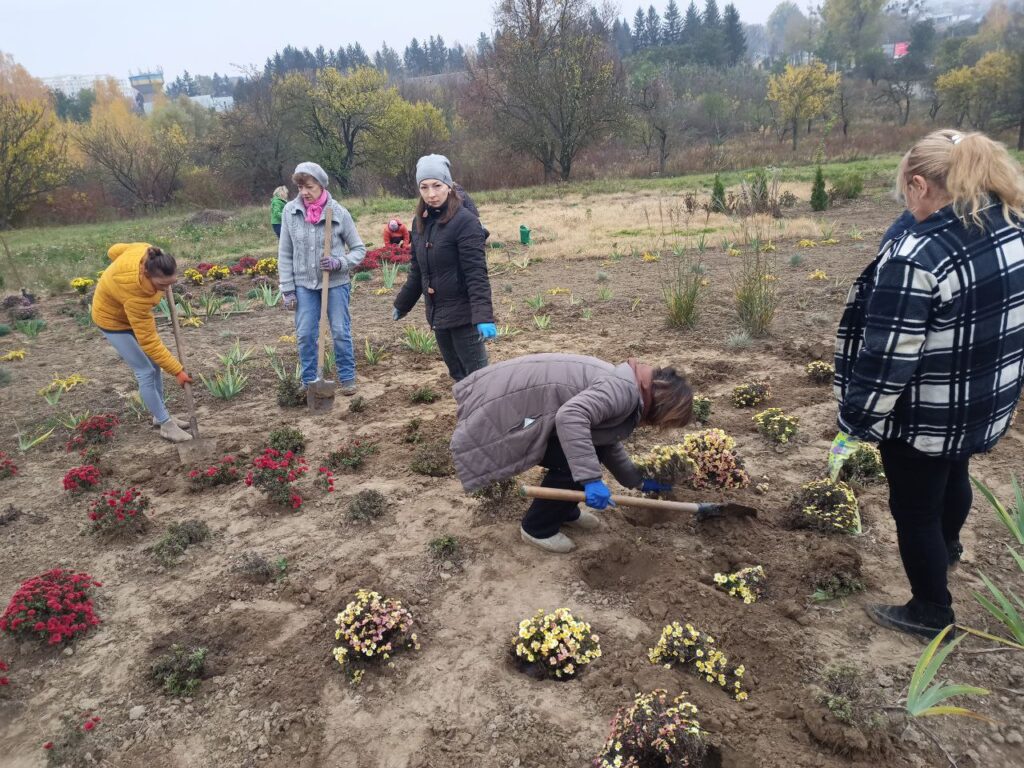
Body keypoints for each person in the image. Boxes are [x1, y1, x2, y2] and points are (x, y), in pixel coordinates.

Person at [832, 129, 1024, 640]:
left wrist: (854, 422)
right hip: (982, 398)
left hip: (926, 412)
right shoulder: (1008, 224)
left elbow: (888, 358)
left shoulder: (916, 258)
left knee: (914, 508)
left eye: (905, 191)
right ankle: (950, 546)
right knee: (953, 471)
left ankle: (930, 609)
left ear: (920, 185)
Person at [450, 353, 692, 553]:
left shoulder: (632, 388)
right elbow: (571, 417)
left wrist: (635, 479)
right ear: (662, 408)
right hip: (508, 411)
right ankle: (537, 529)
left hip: (526, 405)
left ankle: (563, 511)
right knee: (574, 463)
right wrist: (591, 481)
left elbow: (604, 438)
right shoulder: (623, 392)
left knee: (584, 456)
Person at [392, 154, 495, 382]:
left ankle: (488, 417)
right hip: (438, 316)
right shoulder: (420, 222)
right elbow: (418, 270)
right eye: (424, 187)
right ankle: (468, 416)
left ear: (448, 186)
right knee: (457, 375)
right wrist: (402, 304)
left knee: (479, 379)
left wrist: (483, 316)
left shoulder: (465, 222)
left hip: (465, 317)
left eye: (437, 186)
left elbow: (476, 274)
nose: (431, 194)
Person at [91, 243, 194, 443]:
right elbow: (150, 342)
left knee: (155, 365)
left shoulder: (146, 251)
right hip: (112, 320)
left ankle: (159, 414)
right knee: (145, 371)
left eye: (170, 283)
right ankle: (166, 425)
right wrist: (178, 371)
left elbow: (114, 251)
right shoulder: (137, 294)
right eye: (162, 285)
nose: (167, 289)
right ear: (146, 274)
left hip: (125, 308)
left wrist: (115, 277)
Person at [278, 162, 366, 395]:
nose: (304, 192)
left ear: (321, 185)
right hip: (303, 284)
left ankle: (347, 378)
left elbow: (359, 249)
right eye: (300, 187)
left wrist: (340, 262)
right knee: (306, 333)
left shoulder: (338, 212)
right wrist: (287, 289)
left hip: (335, 283)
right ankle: (309, 381)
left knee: (339, 330)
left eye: (309, 186)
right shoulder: (290, 212)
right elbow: (285, 253)